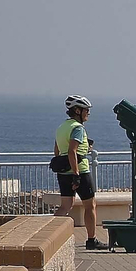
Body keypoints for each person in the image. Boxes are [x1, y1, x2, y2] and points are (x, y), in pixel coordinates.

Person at [54, 96, 108, 250]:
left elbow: (58, 151)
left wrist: (84, 150)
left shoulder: (61, 127)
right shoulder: (78, 128)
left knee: (65, 206)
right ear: (77, 111)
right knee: (90, 205)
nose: (88, 113)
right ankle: (92, 240)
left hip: (63, 172)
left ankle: (48, 234)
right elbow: (72, 151)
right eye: (86, 110)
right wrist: (76, 174)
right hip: (80, 171)